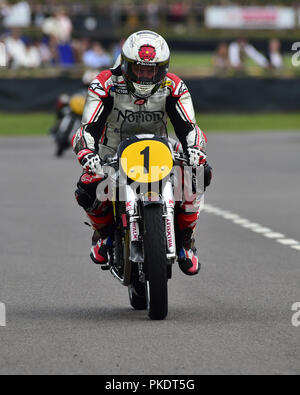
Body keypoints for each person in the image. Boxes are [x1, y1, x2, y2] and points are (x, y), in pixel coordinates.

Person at [72, 31, 212, 276]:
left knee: (199, 173)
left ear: (163, 69)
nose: (146, 76)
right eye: (139, 69)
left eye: (152, 70)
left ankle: (186, 240)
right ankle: (103, 234)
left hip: (160, 147)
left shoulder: (174, 86)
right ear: (126, 65)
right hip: (112, 150)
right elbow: (87, 128)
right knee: (87, 186)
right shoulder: (105, 83)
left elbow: (190, 127)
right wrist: (87, 153)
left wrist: (195, 150)